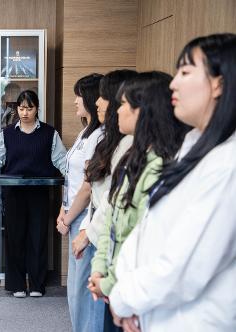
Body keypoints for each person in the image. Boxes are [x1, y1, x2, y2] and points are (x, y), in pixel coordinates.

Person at [109, 34, 236, 332]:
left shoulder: (227, 165)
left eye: (186, 72)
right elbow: (144, 233)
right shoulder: (191, 147)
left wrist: (124, 299)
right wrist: (127, 297)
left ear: (219, 83)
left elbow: (182, 269)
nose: (173, 84)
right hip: (152, 312)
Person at [87, 72, 188, 331]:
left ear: (144, 111)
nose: (116, 111)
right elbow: (113, 219)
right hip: (114, 283)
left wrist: (109, 283)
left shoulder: (159, 167)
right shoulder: (133, 157)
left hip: (130, 288)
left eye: (123, 104)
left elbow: (140, 240)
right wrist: (100, 271)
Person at [57, 70, 137, 332]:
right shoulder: (86, 133)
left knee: (88, 297)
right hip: (78, 216)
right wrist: (63, 210)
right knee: (78, 293)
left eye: (79, 96)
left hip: (88, 222)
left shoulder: (103, 137)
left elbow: (92, 189)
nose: (75, 102)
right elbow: (74, 177)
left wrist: (71, 219)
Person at [0, 90, 66, 298]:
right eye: (21, 108)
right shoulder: (7, 133)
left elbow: (61, 160)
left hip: (39, 191)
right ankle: (17, 284)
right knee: (15, 236)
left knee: (38, 236)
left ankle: (38, 284)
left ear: (37, 108)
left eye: (29, 108)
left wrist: (72, 175)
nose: (24, 113)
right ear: (16, 109)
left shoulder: (50, 133)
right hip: (13, 192)